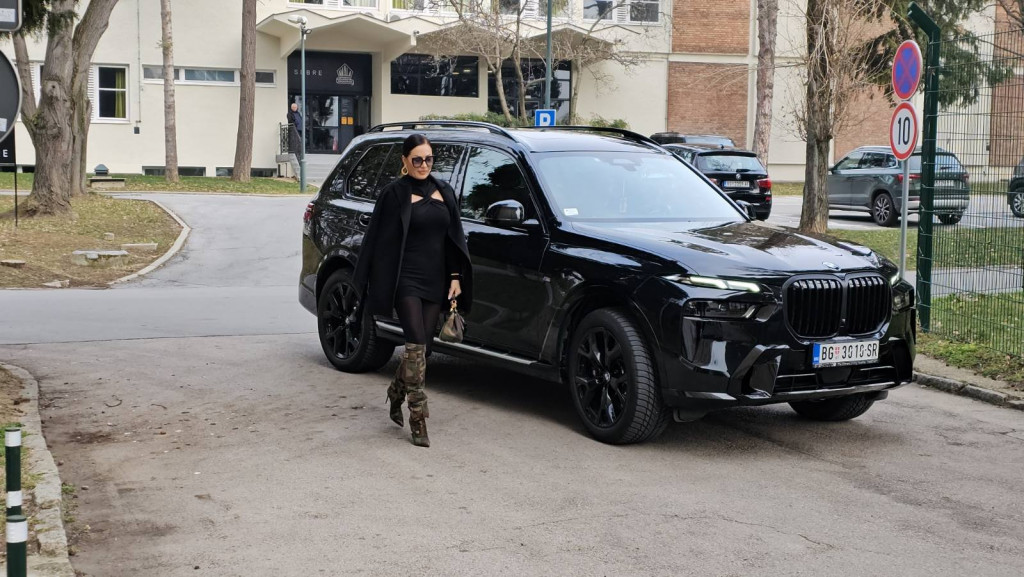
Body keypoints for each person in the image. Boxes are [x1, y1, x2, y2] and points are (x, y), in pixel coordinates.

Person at [353, 134, 473, 448]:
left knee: (425, 348)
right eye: (417, 159)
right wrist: (369, 281)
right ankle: (418, 417)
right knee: (416, 342)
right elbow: (378, 240)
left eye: (428, 159)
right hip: (405, 278)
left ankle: (396, 390)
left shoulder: (444, 191)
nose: (423, 165)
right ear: (405, 161)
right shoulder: (394, 194)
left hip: (436, 279)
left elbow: (453, 239)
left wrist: (455, 278)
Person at [287, 102, 304, 179]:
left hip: (300, 130)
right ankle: (297, 152)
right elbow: (290, 121)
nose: (294, 108)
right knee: (296, 141)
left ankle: (300, 151)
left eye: (295, 107)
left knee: (300, 141)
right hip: (294, 131)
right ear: (291, 108)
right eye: (293, 107)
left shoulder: (298, 113)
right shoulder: (290, 114)